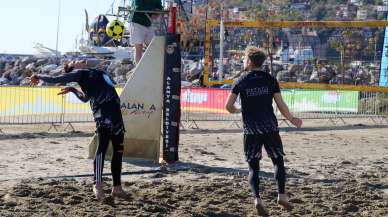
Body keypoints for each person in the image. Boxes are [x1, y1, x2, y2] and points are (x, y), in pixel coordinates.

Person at [29, 60, 126, 200]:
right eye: (75, 61)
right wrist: (38, 76)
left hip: (116, 115)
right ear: (74, 68)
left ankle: (117, 187)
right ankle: (97, 184)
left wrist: (74, 90)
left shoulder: (97, 72)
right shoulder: (80, 74)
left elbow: (86, 98)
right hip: (103, 116)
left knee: (118, 151)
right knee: (102, 150)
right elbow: (57, 79)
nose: (80, 60)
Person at [225, 46, 302, 216]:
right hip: (270, 128)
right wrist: (292, 119)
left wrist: (238, 110)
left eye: (244, 59)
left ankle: (257, 199)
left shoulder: (240, 81)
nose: (243, 62)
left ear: (250, 62)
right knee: (278, 161)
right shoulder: (270, 79)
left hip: (251, 130)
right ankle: (282, 195)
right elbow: (281, 105)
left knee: (254, 167)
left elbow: (228, 106)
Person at [130, 0, 163, 64]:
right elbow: (138, 6)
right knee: (139, 47)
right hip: (137, 21)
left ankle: (150, 68)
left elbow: (159, 7)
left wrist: (157, 13)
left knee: (152, 47)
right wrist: (153, 12)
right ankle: (138, 70)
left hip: (148, 23)